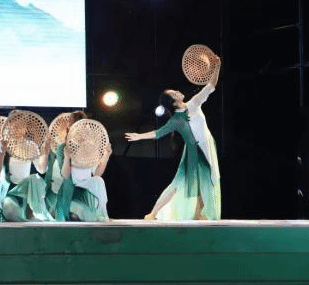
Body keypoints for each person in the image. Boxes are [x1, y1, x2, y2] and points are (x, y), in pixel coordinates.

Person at [125, 55, 222, 220]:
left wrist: (217, 66)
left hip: (205, 148)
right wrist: (139, 136)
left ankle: (198, 214)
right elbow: (157, 133)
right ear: (174, 102)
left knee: (201, 183)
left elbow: (211, 86)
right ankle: (152, 214)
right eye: (174, 93)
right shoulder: (176, 120)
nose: (177, 91)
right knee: (177, 184)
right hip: (194, 153)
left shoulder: (194, 103)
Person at [58, 138, 111, 221]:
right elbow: (65, 175)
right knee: (83, 214)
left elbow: (97, 174)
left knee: (98, 180)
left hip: (86, 187)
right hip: (74, 189)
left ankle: (102, 213)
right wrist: (67, 158)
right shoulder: (67, 149)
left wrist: (106, 157)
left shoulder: (90, 153)